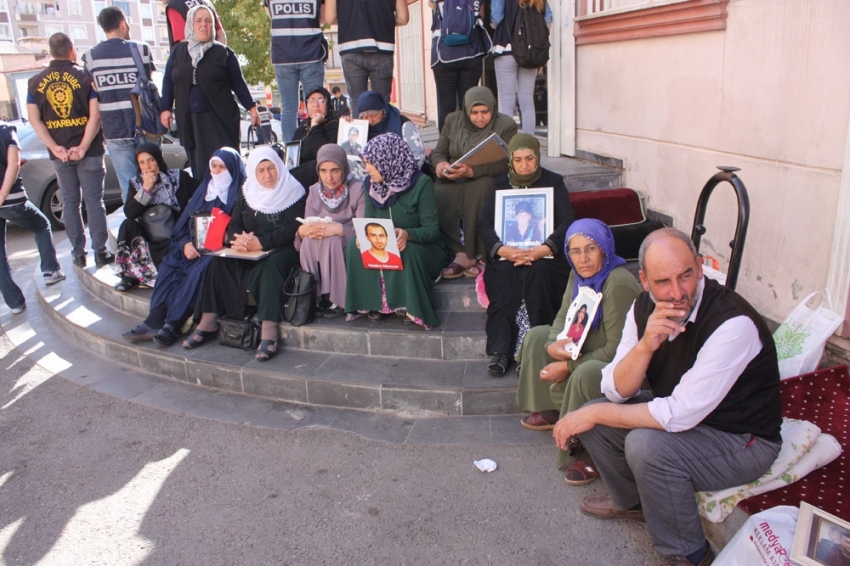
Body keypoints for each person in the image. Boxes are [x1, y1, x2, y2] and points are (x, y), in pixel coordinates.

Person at [553, 227, 782, 566]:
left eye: (686, 276)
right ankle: (634, 503)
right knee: (597, 411)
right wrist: (646, 345)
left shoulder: (733, 323)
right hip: (693, 420)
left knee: (645, 445)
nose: (677, 293)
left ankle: (688, 553)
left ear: (700, 267)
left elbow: (679, 414)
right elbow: (616, 388)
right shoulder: (642, 307)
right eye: (663, 282)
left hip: (742, 439)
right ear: (644, 280)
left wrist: (596, 414)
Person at [515, 219, 641, 480]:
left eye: (590, 249)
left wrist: (567, 366)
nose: (582, 258)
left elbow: (620, 350)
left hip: (623, 366)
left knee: (589, 372)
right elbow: (562, 317)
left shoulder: (616, 282)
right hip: (587, 345)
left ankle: (587, 448)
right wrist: (552, 346)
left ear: (605, 249)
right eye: (575, 251)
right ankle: (553, 408)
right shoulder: (578, 274)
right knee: (538, 335)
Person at [186, 146, 305, 360]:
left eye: (271, 168)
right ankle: (208, 321)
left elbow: (291, 228)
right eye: (261, 170)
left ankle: (269, 331)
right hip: (248, 248)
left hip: (282, 249)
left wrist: (262, 243)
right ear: (253, 172)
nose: (267, 175)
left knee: (270, 267)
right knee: (218, 263)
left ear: (279, 167)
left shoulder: (293, 191)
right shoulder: (247, 190)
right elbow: (235, 223)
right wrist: (237, 239)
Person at [122, 147, 246, 345]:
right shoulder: (204, 190)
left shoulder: (241, 193)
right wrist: (185, 243)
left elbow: (241, 228)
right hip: (192, 245)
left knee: (200, 270)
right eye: (213, 166)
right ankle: (154, 318)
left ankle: (173, 324)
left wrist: (224, 236)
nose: (216, 171)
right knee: (171, 263)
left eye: (222, 167)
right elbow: (183, 225)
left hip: (218, 251)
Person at [477, 133, 572, 376]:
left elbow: (567, 222)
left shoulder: (554, 182)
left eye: (529, 159)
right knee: (506, 275)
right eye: (517, 160)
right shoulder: (500, 184)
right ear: (511, 160)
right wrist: (503, 250)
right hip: (509, 255)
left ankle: (533, 351)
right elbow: (485, 224)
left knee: (539, 275)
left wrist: (544, 248)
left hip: (543, 255)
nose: (524, 165)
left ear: (537, 157)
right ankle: (501, 350)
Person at [344, 133, 445, 328]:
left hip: (423, 248)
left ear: (387, 159)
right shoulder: (371, 184)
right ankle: (376, 303)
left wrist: (408, 234)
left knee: (404, 250)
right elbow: (371, 221)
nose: (367, 169)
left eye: (370, 163)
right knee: (353, 246)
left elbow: (432, 230)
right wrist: (363, 236)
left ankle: (408, 305)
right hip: (384, 240)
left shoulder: (421, 183)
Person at [30, 32, 112, 269]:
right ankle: (100, 251)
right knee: (94, 202)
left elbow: (35, 119)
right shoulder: (86, 78)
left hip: (60, 154)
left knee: (70, 203)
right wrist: (84, 146)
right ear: (72, 50)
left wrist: (55, 147)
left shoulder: (35, 83)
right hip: (90, 151)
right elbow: (95, 116)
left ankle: (78, 254)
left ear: (51, 52)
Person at [160, 5, 260, 177]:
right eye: (198, 21)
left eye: (208, 21)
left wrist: (251, 107)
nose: (203, 25)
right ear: (190, 24)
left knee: (223, 164)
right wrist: (165, 108)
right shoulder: (178, 52)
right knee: (200, 169)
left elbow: (238, 83)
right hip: (190, 120)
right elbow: (168, 80)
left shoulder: (223, 53)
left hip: (219, 120)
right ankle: (206, 202)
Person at [432, 86, 517, 280]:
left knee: (482, 190)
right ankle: (460, 252)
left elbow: (510, 163)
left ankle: (479, 253)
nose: (480, 118)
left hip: (487, 174)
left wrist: (474, 171)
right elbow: (439, 152)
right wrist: (440, 165)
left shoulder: (506, 125)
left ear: (492, 109)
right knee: (438, 192)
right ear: (466, 110)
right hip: (454, 176)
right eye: (474, 113)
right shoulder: (453, 120)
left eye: (485, 112)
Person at [83, 7, 156, 205]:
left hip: (114, 130)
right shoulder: (141, 50)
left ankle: (135, 230)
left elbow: (93, 89)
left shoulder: (90, 57)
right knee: (155, 182)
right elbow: (149, 84)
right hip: (144, 126)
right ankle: (159, 227)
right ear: (123, 23)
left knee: (128, 187)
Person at [113, 143, 200, 292]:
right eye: (142, 162)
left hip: (175, 235)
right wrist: (146, 189)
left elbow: (201, 190)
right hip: (149, 237)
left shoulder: (178, 177)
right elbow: (130, 212)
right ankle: (130, 276)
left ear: (158, 159)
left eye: (150, 160)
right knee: (127, 225)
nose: (147, 166)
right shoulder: (136, 183)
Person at [0, 122, 65, 314]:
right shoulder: (6, 131)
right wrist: (3, 195)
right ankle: (50, 270)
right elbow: (13, 163)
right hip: (12, 200)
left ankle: (15, 303)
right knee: (42, 225)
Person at [294, 144, 365, 317]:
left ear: (344, 169)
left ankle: (339, 299)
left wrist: (339, 229)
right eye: (323, 171)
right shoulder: (313, 191)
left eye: (335, 170)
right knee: (310, 241)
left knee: (332, 240)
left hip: (349, 243)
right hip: (319, 243)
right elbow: (307, 222)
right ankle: (315, 295)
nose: (329, 177)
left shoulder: (357, 189)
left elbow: (364, 228)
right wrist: (304, 231)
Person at [324, 0, 409, 116]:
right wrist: (383, 19)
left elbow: (329, 18)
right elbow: (403, 18)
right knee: (382, 103)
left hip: (350, 46)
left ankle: (361, 133)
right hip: (382, 46)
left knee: (357, 102)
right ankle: (383, 134)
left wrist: (350, 20)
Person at [265, 0, 325, 143]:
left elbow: (271, 15)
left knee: (288, 107)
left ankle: (291, 154)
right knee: (316, 105)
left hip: (283, 54)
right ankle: (315, 148)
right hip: (311, 53)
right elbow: (322, 18)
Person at [428, 0, 491, 132]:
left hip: (444, 54)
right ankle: (469, 146)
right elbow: (481, 15)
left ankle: (446, 147)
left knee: (446, 106)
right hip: (472, 52)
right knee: (469, 104)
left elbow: (432, 5)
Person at [491, 0, 552, 135]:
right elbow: (548, 20)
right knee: (527, 102)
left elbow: (496, 17)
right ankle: (528, 147)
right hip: (529, 54)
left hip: (506, 48)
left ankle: (507, 147)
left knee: (506, 103)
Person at [356, 91, 425, 168]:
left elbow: (417, 158)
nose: (370, 121)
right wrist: (346, 123)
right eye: (365, 117)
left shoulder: (404, 126)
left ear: (383, 111)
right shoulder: (362, 130)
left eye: (373, 115)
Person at [289, 87, 341, 189]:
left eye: (321, 100)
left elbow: (325, 155)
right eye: (311, 100)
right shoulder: (302, 128)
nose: (316, 105)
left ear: (328, 104)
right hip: (298, 180)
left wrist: (315, 125)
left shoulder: (335, 126)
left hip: (321, 180)